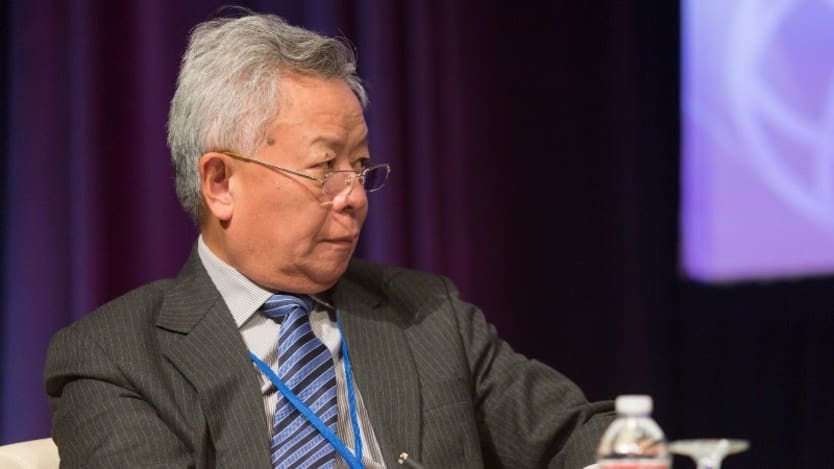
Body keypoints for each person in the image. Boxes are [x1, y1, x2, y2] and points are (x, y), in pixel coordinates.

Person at [44, 11, 614, 469]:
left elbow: (579, 436)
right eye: (324, 169)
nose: (355, 196)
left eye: (360, 166)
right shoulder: (117, 358)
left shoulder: (427, 313)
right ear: (220, 183)